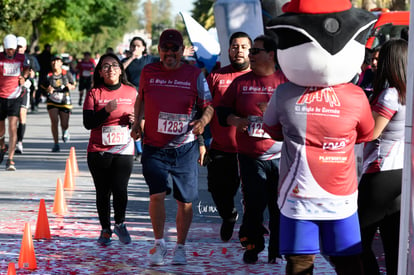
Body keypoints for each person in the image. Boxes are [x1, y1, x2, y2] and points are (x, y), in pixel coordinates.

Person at [130, 29, 214, 266]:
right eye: (165, 48)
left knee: (185, 201)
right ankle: (159, 243)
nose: (169, 53)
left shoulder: (195, 74)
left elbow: (208, 105)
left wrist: (203, 122)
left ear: (181, 51)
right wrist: (137, 122)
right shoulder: (148, 71)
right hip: (154, 146)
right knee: (156, 195)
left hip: (184, 147)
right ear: (159, 50)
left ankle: (180, 246)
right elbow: (141, 99)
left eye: (174, 49)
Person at [217, 35, 286, 264]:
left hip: (280, 155)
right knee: (254, 203)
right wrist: (234, 119)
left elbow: (300, 117)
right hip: (249, 155)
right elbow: (221, 111)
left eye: (255, 51)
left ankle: (277, 248)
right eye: (251, 51)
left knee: (279, 205)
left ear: (271, 55)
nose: (250, 56)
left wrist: (274, 114)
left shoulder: (285, 82)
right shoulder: (241, 82)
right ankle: (253, 245)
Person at [357, 39, 407, 275]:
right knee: (392, 242)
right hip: (402, 172)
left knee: (355, 242)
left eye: (380, 58)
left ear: (390, 61)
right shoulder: (406, 93)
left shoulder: (390, 95)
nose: (374, 63)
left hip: (381, 171)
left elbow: (371, 132)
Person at [83, 52, 136, 246]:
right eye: (106, 66)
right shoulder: (94, 93)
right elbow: (88, 123)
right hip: (99, 150)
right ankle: (106, 229)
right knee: (103, 191)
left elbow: (140, 120)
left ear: (121, 70)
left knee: (120, 189)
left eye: (115, 65)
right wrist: (105, 111)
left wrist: (134, 121)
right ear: (100, 72)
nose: (111, 69)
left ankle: (120, 223)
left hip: (123, 148)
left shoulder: (131, 92)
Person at [205, 31, 252, 243]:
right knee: (217, 190)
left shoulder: (258, 79)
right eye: (235, 46)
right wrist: (201, 143)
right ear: (228, 50)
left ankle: (249, 232)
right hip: (220, 147)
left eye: (243, 46)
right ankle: (228, 215)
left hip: (250, 150)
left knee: (252, 195)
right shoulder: (216, 76)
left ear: (251, 51)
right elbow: (204, 108)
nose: (239, 50)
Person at [122, 37, 159, 161]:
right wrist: (131, 58)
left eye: (138, 46)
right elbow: (119, 71)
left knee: (144, 126)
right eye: (133, 46)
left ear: (143, 48)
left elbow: (164, 59)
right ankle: (139, 151)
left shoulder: (149, 59)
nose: (135, 48)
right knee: (135, 123)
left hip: (147, 97)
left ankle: (145, 148)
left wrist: (180, 54)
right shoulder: (126, 61)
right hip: (132, 96)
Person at [0, 34, 29, 171]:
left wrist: (24, 77)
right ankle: (2, 146)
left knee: (12, 128)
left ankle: (10, 159)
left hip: (15, 96)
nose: (10, 51)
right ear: (4, 48)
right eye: (8, 49)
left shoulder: (21, 58)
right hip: (1, 97)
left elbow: (27, 70)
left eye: (12, 49)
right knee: (1, 131)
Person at [40, 55, 76, 152]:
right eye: (53, 61)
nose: (55, 63)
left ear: (61, 63)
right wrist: (48, 89)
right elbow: (42, 86)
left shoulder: (66, 73)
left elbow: (73, 85)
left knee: (64, 124)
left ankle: (65, 130)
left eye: (57, 61)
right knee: (54, 121)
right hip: (52, 101)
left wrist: (70, 86)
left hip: (65, 101)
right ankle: (56, 143)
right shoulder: (48, 74)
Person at [15, 36, 40, 154]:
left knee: (21, 115)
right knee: (12, 119)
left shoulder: (30, 58)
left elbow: (35, 72)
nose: (19, 49)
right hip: (11, 90)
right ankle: (12, 139)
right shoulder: (11, 58)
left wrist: (30, 76)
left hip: (24, 90)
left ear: (25, 47)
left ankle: (19, 142)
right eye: (17, 47)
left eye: (21, 47)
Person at [35, 43, 52, 111]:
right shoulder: (49, 55)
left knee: (41, 87)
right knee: (48, 87)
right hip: (47, 73)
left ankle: (36, 103)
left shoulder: (40, 55)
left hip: (41, 73)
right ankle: (49, 101)